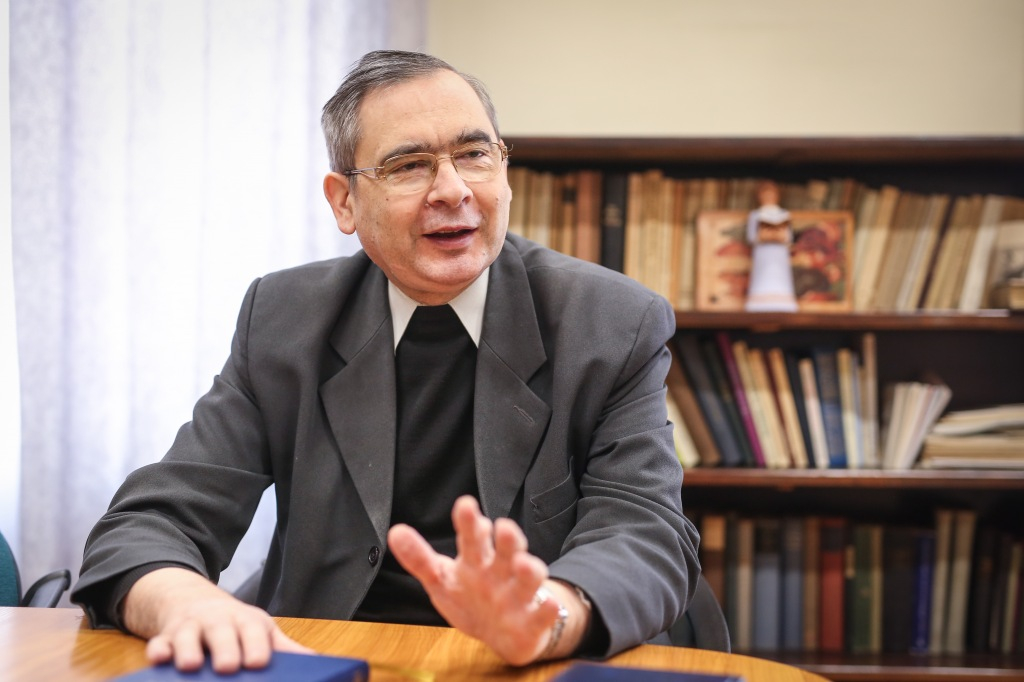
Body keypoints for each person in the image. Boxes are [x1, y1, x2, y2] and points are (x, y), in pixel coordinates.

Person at [71, 50, 700, 674]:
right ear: (344, 201)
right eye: (409, 165)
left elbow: (644, 531)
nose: (453, 190)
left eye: (474, 154)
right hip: (329, 654)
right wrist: (184, 602)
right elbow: (155, 520)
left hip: (529, 662)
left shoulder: (609, 322)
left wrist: (550, 613)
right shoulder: (285, 319)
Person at [744, 180, 798, 312]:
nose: (768, 197)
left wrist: (778, 235)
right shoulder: (755, 215)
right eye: (765, 194)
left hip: (779, 254)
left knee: (779, 275)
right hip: (763, 253)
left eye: (771, 194)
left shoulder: (784, 214)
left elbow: (789, 237)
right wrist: (764, 236)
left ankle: (782, 300)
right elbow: (751, 237)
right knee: (763, 275)